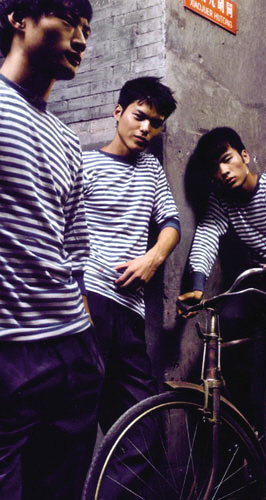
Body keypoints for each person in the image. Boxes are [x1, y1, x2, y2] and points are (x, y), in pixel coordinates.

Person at [178, 127, 266, 500]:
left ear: (244, 155)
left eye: (227, 160)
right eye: (215, 168)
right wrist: (197, 284)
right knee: (225, 327)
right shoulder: (221, 200)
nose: (223, 171)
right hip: (260, 281)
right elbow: (207, 234)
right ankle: (243, 430)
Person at [0, 1, 104, 499]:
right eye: (68, 22)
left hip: (73, 351)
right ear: (19, 19)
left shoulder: (67, 140)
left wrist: (86, 348)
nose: (81, 39)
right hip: (10, 353)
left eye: (86, 29)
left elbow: (75, 248)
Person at [83, 76, 180, 433]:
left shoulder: (151, 169)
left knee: (142, 429)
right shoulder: (84, 164)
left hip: (130, 312)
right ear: (118, 112)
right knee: (76, 420)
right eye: (139, 117)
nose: (145, 129)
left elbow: (171, 223)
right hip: (89, 301)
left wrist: (153, 258)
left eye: (156, 123)